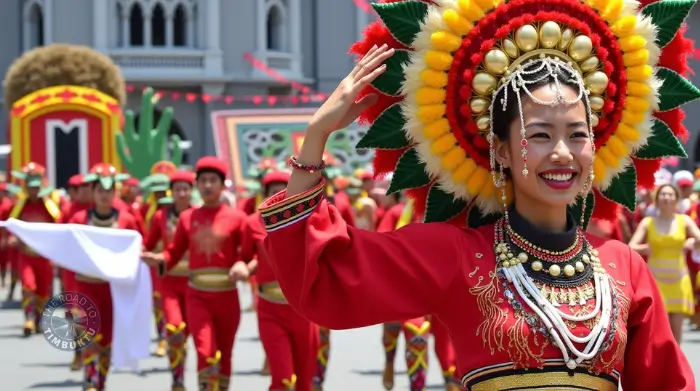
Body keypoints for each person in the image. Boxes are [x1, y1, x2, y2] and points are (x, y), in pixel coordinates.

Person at [257, 0, 698, 389]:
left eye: (578, 134)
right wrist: (315, 138)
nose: (563, 153)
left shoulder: (624, 268)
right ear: (502, 150)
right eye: (540, 134)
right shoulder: (457, 257)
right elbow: (325, 276)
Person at [141, 156, 249, 391]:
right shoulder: (188, 218)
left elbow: (248, 253)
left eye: (213, 180)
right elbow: (174, 251)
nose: (208, 186)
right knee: (205, 350)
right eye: (203, 181)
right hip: (197, 296)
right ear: (197, 185)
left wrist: (243, 265)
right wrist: (159, 259)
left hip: (227, 296)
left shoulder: (237, 218)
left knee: (225, 354)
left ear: (222, 185)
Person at [241, 169, 319, 391]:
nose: (279, 197)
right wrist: (243, 266)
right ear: (266, 196)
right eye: (273, 193)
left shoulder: (309, 220)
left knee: (305, 381)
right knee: (283, 379)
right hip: (270, 309)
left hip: (303, 310)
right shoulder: (252, 224)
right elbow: (247, 257)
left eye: (284, 192)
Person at [70, 164, 139, 391]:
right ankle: (90, 381)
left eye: (108, 191)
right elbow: (67, 248)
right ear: (93, 192)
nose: (104, 195)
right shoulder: (79, 219)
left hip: (112, 290)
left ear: (115, 193)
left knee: (106, 340)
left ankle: (101, 381)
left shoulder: (127, 220)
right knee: (89, 332)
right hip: (85, 287)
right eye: (99, 190)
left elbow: (138, 246)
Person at [143, 170, 195, 391]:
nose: (182, 194)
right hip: (170, 284)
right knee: (174, 329)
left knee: (188, 334)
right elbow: (147, 243)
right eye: (177, 190)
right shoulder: (160, 217)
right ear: (171, 193)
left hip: (195, 285)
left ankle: (182, 368)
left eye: (186, 189)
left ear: (192, 192)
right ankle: (178, 379)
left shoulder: (199, 215)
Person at [628, 184, 700, 343]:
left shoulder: (684, 220)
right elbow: (630, 247)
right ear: (657, 198)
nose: (666, 197)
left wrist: (692, 241)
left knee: (676, 327)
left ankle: (675, 366)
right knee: (657, 329)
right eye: (663, 194)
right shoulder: (648, 222)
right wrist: (644, 248)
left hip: (679, 279)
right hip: (656, 280)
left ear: (676, 199)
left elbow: (699, 237)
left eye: (670, 194)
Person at [8, 162, 61, 336]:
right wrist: (12, 237)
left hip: (45, 255)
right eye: (30, 187)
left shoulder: (49, 206)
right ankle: (29, 318)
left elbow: (58, 226)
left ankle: (39, 320)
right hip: (26, 255)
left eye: (36, 187)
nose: (33, 191)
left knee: (43, 290)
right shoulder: (20, 206)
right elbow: (12, 226)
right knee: (28, 285)